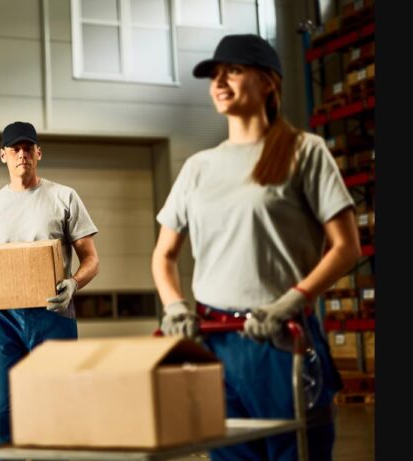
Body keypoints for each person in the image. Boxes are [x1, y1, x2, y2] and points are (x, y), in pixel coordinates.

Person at [151, 34, 361, 460]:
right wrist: (174, 306)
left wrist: (291, 301)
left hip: (281, 340)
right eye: (214, 74)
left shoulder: (305, 151)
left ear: (268, 82)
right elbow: (164, 254)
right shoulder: (198, 168)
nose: (219, 81)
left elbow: (346, 246)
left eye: (233, 70)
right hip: (214, 346)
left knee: (295, 451)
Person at [0, 121, 100, 447]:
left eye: (28, 148)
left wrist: (73, 283)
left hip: (53, 314)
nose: (22, 154)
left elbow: (92, 260)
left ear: (38, 152)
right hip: (2, 319)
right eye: (15, 149)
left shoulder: (64, 197)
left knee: (59, 404)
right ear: (3, 155)